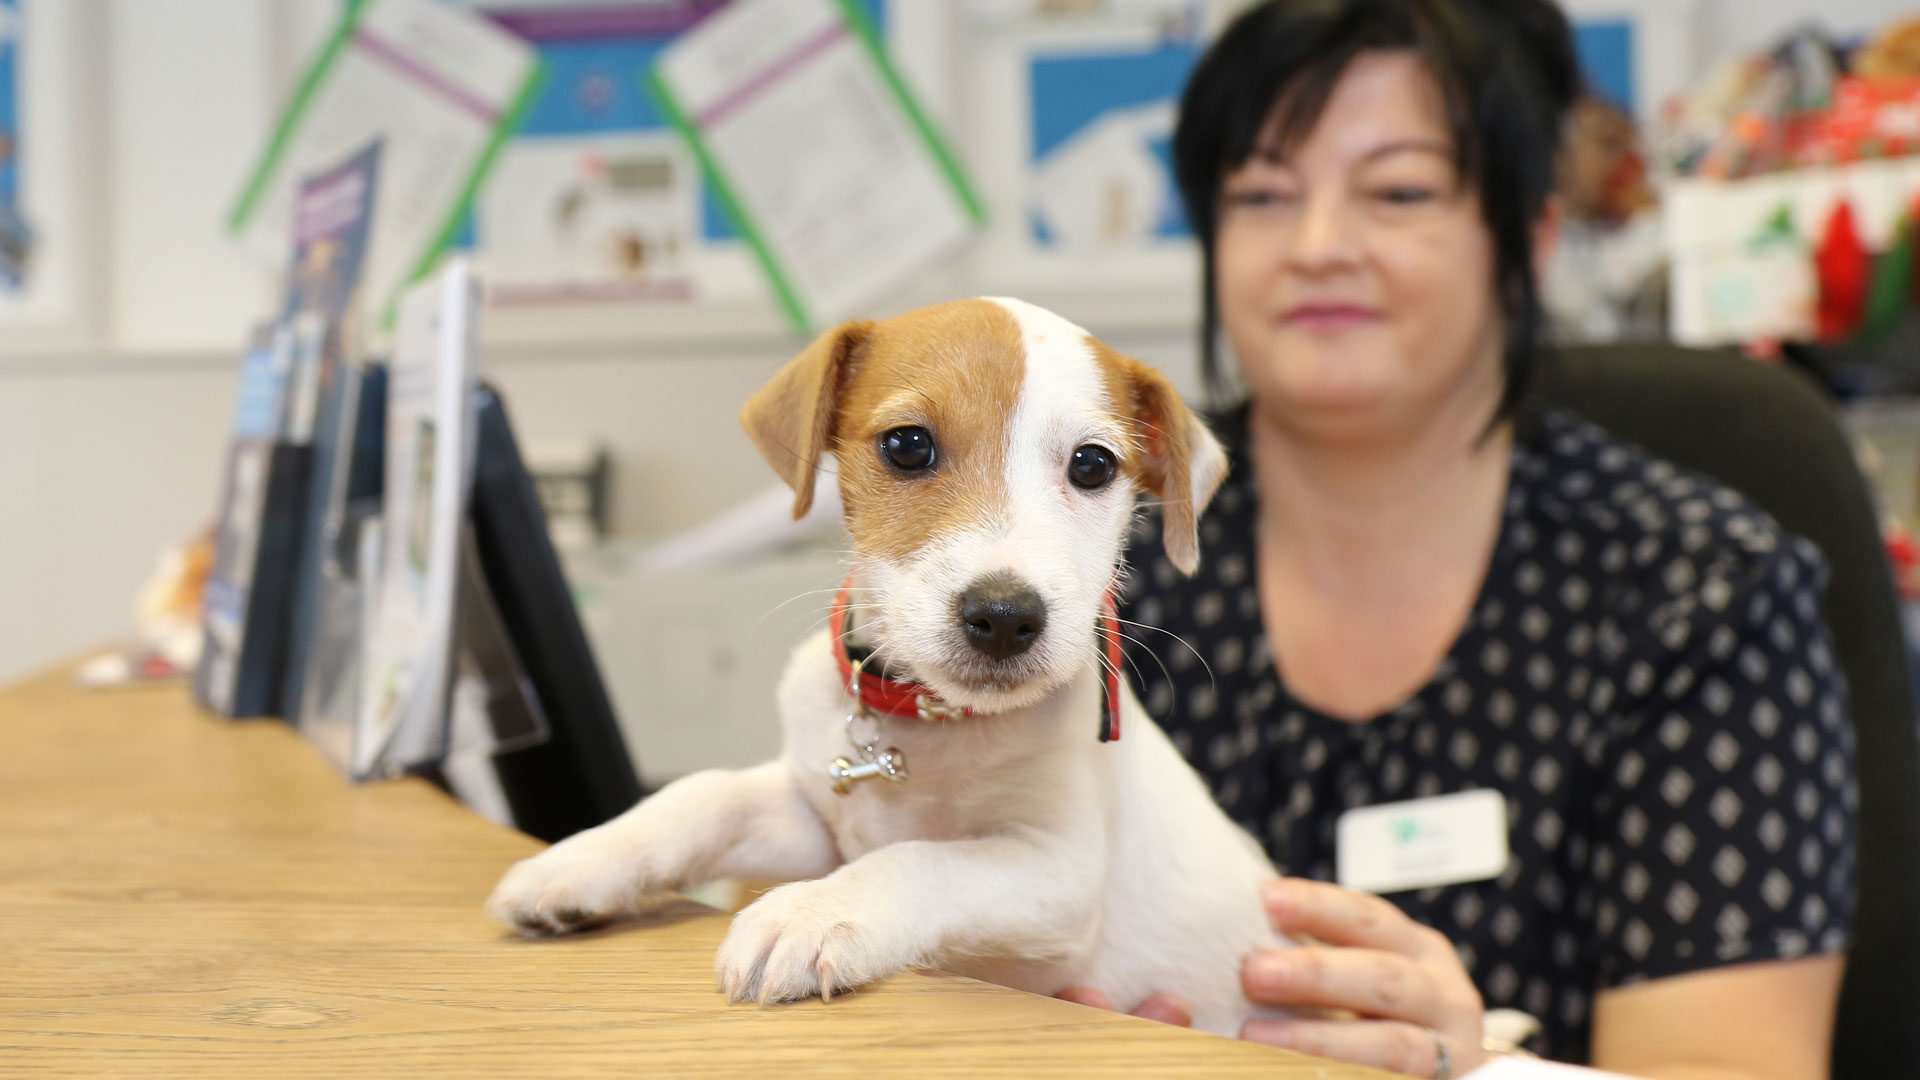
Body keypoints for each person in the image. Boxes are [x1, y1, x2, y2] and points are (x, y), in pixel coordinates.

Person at [1065, 2, 1858, 1077]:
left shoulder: (1695, 593)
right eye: (1262, 195)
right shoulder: (1098, 569)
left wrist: (1476, 1074)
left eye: (1398, 192)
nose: (1317, 247)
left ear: (1528, 234)